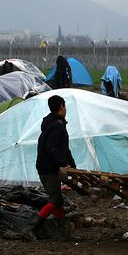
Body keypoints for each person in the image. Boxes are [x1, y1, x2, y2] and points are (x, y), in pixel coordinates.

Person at [34, 95, 76, 235]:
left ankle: (64, 232)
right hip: (49, 168)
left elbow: (64, 149)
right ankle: (32, 226)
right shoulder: (57, 125)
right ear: (61, 107)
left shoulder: (51, 124)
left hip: (44, 166)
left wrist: (73, 166)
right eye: (65, 106)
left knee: (57, 200)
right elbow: (53, 148)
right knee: (55, 199)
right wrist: (64, 164)